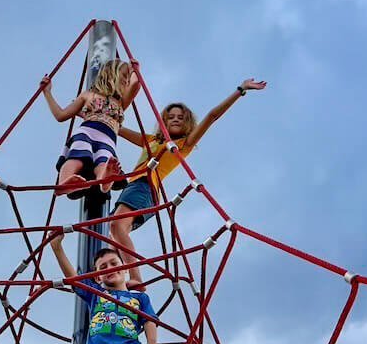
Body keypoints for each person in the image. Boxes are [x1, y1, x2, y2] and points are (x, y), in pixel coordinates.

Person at [109, 81, 267, 259]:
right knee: (112, 238)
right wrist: (91, 114)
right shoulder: (151, 139)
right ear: (164, 122)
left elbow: (212, 116)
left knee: (116, 226)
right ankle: (118, 281)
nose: (176, 119)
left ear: (188, 123)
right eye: (171, 116)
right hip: (133, 187)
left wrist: (240, 90)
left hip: (146, 187)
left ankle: (135, 278)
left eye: (181, 117)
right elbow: (115, 128)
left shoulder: (184, 145)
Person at [42, 59, 140, 197]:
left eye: (128, 77)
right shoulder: (88, 95)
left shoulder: (121, 101)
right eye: (124, 76)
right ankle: (64, 183)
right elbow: (61, 115)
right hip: (86, 131)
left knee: (105, 160)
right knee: (76, 157)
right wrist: (47, 92)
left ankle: (104, 180)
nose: (127, 81)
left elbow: (136, 84)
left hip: (107, 138)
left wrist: (134, 69)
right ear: (110, 74)